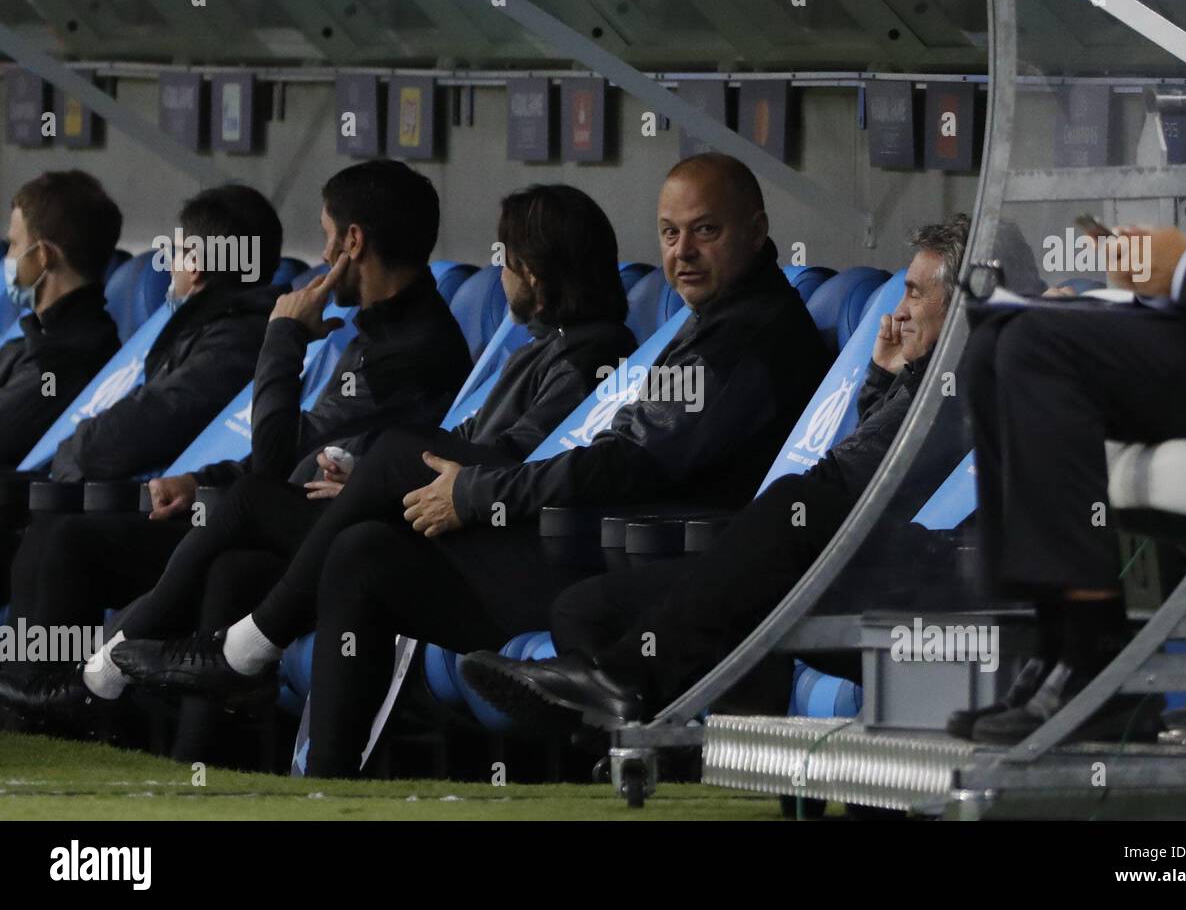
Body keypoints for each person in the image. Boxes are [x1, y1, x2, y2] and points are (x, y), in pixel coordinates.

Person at [120, 152, 831, 777]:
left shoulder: (749, 334)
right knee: (364, 551)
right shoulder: (699, 323)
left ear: (759, 230)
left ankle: (240, 648)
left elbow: (627, 464)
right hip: (586, 542)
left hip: (626, 563)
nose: (683, 252)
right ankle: (324, 783)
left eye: (706, 231)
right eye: (671, 234)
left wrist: (479, 494)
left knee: (383, 464)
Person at [937, 0, 1186, 745]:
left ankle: (1098, 657)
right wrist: (1156, 282)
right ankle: (1061, 637)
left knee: (1037, 350)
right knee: (1003, 336)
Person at [0, 161, 473, 743]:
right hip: (268, 516)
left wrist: (284, 338)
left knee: (177, 554)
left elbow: (276, 463)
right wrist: (200, 481)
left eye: (328, 236)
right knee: (65, 535)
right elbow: (297, 453)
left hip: (323, 533)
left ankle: (89, 700)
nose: (323, 255)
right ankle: (62, 709)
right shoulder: (374, 331)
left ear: (354, 241)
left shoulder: (413, 345)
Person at [458, 215, 970, 730]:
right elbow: (872, 461)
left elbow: (867, 486)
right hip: (823, 551)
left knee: (788, 513)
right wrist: (882, 379)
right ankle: (633, 742)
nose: (899, 313)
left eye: (914, 296)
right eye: (667, 232)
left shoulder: (963, 385)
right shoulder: (924, 378)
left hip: (900, 573)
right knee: (584, 608)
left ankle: (629, 690)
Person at [0, 170, 122, 466]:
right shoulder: (37, 338)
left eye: (14, 245)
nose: (8, 257)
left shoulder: (61, 363)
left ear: (43, 255)